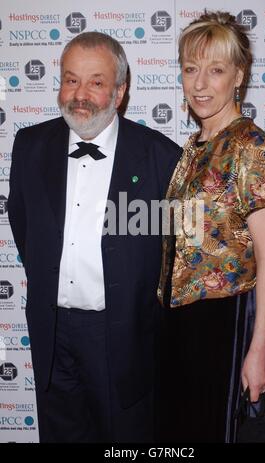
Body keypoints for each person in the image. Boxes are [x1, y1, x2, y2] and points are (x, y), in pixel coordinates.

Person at [8, 32, 181, 443]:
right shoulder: (30, 145)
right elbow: (23, 225)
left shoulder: (161, 158)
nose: (79, 94)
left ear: (119, 92)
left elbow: (176, 255)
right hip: (53, 333)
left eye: (96, 82)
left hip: (123, 336)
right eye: (71, 80)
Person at [156, 11, 265, 443]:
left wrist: (259, 350)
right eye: (191, 69)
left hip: (224, 325)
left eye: (215, 70)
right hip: (180, 325)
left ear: (238, 76)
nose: (199, 83)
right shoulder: (192, 150)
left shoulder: (254, 149)